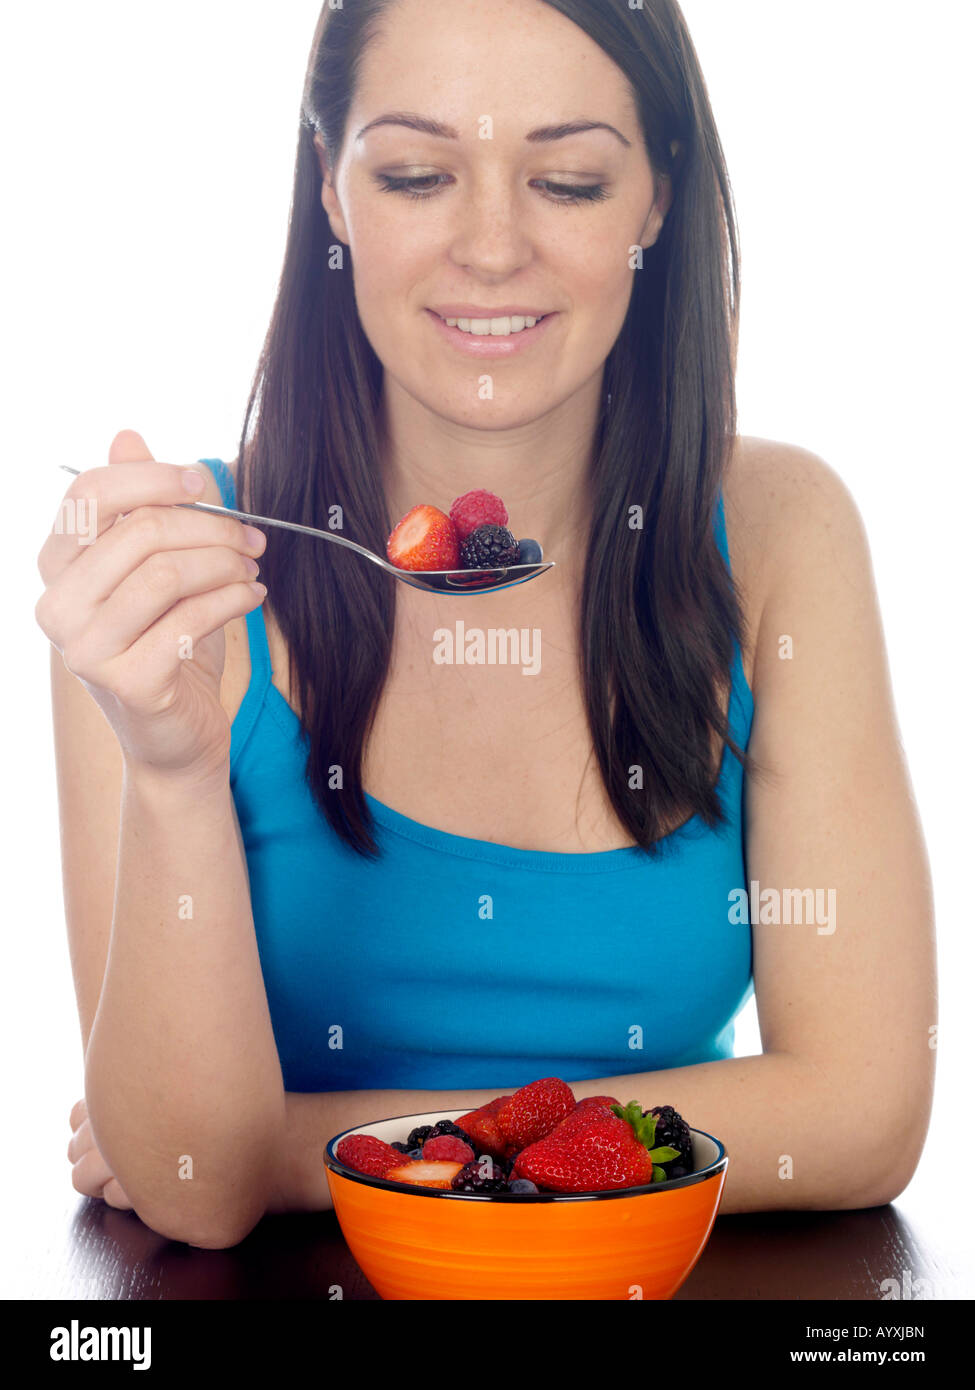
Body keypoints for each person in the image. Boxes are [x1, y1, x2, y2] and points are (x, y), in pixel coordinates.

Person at [36, 0, 935, 1250]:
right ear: (332, 191)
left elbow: (860, 1113)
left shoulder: (783, 532)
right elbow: (193, 1185)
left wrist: (314, 1145)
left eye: (567, 180)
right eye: (416, 173)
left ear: (658, 200)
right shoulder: (171, 597)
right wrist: (175, 771)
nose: (493, 246)